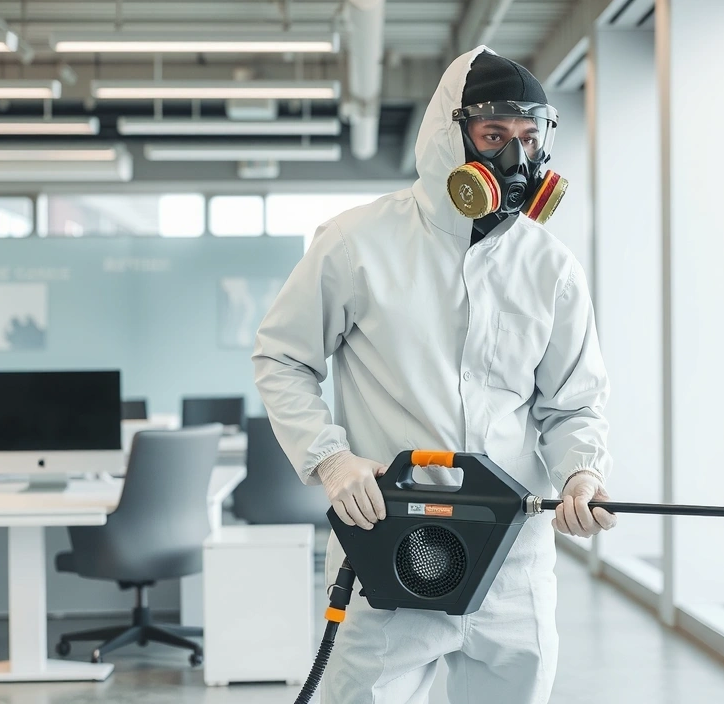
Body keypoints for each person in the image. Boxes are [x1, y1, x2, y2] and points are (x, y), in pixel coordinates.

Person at [252, 45, 616, 704]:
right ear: (454, 137)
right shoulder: (357, 243)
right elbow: (282, 356)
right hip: (392, 545)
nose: (516, 157)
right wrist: (331, 461)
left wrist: (581, 472)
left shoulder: (550, 266)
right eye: (494, 135)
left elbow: (573, 404)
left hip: (512, 556)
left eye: (529, 138)